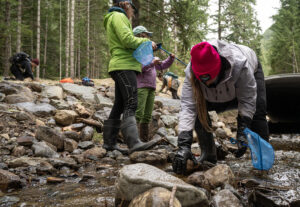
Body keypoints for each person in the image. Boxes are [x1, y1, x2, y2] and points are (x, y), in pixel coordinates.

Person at [172, 40, 269, 174]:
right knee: (198, 110)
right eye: (203, 81)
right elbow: (188, 108)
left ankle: (263, 164)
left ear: (219, 68)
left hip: (241, 85)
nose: (207, 84)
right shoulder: (191, 72)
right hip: (216, 95)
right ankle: (209, 155)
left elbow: (247, 100)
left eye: (209, 78)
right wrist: (183, 145)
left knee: (258, 113)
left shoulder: (240, 64)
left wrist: (242, 130)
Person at [103, 0, 159, 154]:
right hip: (124, 65)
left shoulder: (114, 17)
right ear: (125, 4)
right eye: (132, 9)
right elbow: (127, 40)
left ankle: (109, 144)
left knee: (119, 104)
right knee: (131, 103)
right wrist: (147, 41)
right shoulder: (118, 16)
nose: (133, 13)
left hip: (120, 65)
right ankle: (134, 143)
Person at [133, 25, 175, 141]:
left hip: (151, 88)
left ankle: (144, 140)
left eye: (147, 36)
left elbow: (162, 65)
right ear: (140, 37)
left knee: (147, 115)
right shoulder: (137, 54)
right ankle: (134, 140)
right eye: (145, 36)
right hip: (141, 87)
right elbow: (139, 69)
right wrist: (152, 63)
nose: (148, 39)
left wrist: (170, 59)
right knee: (139, 113)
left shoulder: (151, 55)